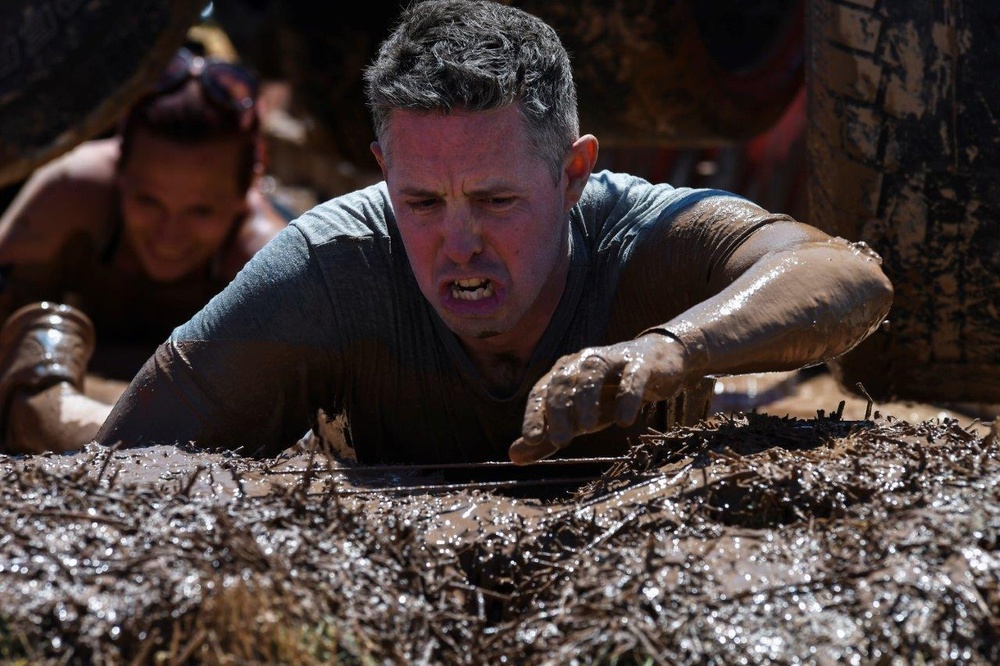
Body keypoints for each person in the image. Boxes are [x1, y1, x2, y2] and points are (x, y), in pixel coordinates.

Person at [95, 0, 893, 465]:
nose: (461, 244)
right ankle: (42, 390)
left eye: (498, 199)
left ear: (574, 173)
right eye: (424, 203)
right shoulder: (330, 269)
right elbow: (117, 466)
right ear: (381, 171)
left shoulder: (645, 236)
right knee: (82, 430)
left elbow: (848, 276)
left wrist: (671, 349)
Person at [0, 47, 288, 454]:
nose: (169, 236)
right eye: (147, 202)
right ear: (119, 167)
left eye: (201, 211)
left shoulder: (267, 262)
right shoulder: (68, 197)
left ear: (248, 189)